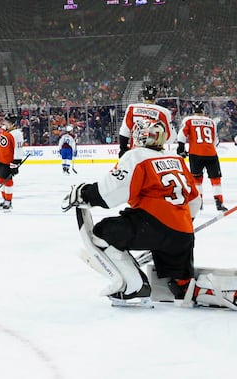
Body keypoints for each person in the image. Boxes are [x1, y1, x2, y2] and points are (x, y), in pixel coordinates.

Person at [64, 120, 199, 304]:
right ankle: (183, 284)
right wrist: (183, 223)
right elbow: (195, 200)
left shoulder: (136, 156)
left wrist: (85, 193)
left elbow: (111, 192)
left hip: (154, 226)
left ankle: (135, 285)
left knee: (103, 232)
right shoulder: (176, 159)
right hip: (183, 234)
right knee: (180, 282)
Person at [177, 101, 227, 211]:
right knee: (216, 179)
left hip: (195, 154)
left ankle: (199, 203)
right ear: (203, 110)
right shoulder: (211, 121)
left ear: (193, 110)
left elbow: (181, 135)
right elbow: (215, 140)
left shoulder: (188, 120)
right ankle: (219, 203)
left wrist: (181, 148)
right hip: (211, 154)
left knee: (197, 180)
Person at [117, 84, 174, 156]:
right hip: (154, 152)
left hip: (136, 151)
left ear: (143, 97)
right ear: (155, 98)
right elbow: (169, 137)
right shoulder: (163, 112)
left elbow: (125, 130)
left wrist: (123, 148)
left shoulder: (132, 108)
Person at [0, 112, 24, 210]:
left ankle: (8, 201)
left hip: (8, 161)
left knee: (7, 181)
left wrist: (15, 163)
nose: (5, 122)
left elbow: (18, 149)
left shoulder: (17, 134)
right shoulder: (3, 130)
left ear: (12, 123)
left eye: (7, 121)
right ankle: (4, 199)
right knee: (0, 179)